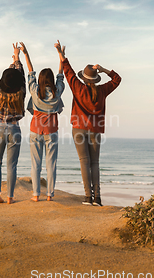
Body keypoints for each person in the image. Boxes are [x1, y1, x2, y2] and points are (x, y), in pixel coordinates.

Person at [55, 40, 121, 206]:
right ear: (96, 79)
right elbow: (117, 79)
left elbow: (68, 72)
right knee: (95, 163)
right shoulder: (102, 90)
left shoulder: (78, 87)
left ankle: (87, 197)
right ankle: (97, 198)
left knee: (84, 162)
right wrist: (104, 69)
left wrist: (61, 54)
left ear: (84, 78)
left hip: (78, 129)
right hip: (95, 130)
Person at [21, 42, 65, 202]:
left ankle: (35, 195)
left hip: (35, 131)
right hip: (51, 132)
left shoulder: (35, 92)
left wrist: (25, 54)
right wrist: (61, 55)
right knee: (51, 165)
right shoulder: (57, 92)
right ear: (51, 80)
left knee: (35, 165)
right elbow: (61, 75)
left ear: (40, 79)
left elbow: (30, 73)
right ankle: (49, 195)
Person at [0, 43, 26, 204]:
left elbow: (9, 77)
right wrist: (17, 57)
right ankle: (10, 197)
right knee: (12, 165)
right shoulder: (21, 92)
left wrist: (13, 60)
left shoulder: (0, 92)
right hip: (15, 129)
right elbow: (17, 77)